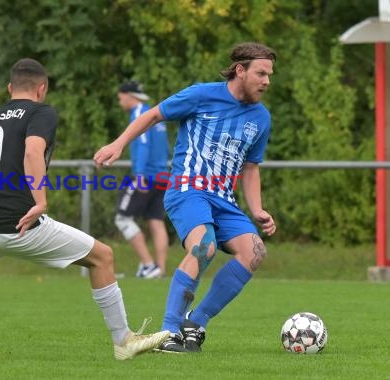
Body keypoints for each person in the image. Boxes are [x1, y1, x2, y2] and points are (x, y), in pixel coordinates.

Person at [0, 58, 169, 360]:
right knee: (103, 257)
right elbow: (32, 151)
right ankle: (123, 341)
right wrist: (40, 202)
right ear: (42, 88)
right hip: (19, 223)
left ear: (10, 88)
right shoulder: (42, 111)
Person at [94, 42, 277, 353]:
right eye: (261, 73)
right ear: (240, 70)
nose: (267, 81)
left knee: (255, 252)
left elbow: (250, 167)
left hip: (224, 200)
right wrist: (119, 143)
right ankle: (169, 332)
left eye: (270, 75)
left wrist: (257, 209)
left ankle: (196, 321)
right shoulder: (201, 95)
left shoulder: (260, 118)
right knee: (203, 246)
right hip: (187, 189)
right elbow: (153, 115)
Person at [116, 81, 170, 278]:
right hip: (162, 175)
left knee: (122, 218)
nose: (119, 101)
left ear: (130, 96)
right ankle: (160, 271)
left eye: (120, 97)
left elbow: (144, 144)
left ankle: (148, 265)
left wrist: (139, 175)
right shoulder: (157, 116)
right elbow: (165, 149)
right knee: (155, 220)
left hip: (145, 175)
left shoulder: (140, 114)